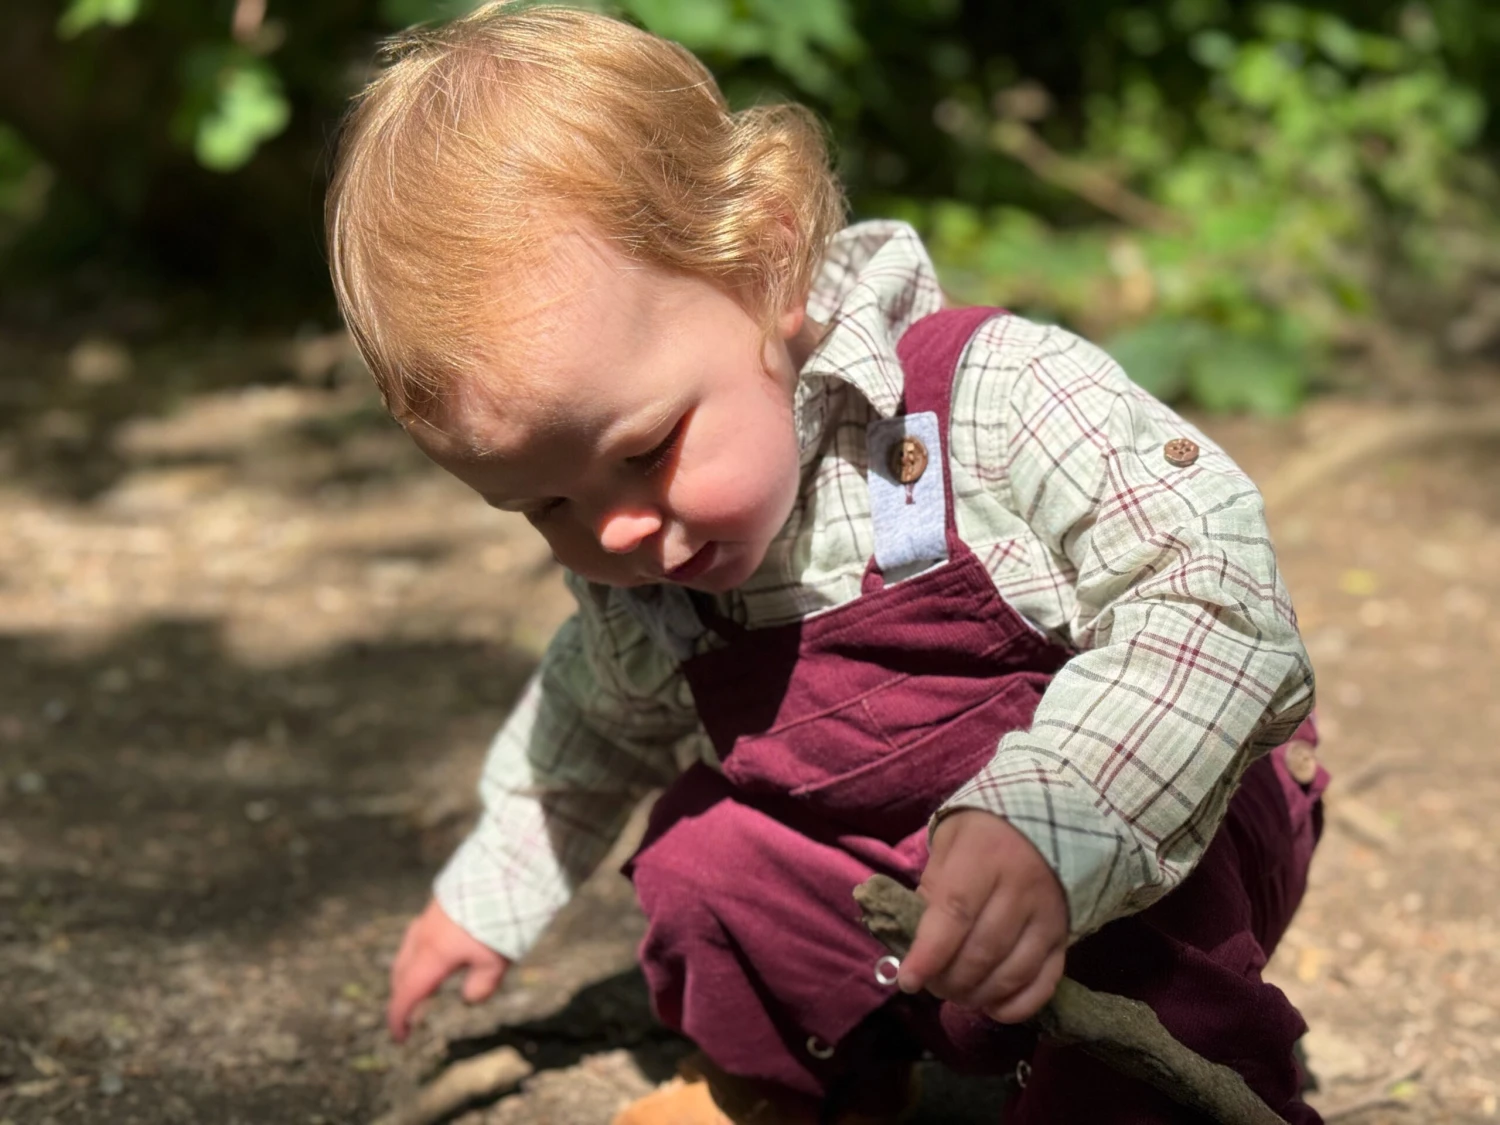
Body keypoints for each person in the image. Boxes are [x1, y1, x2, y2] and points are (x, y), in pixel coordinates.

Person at [324, 4, 1328, 1122]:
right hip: (897, 885)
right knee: (706, 860)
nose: (612, 533)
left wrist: (1060, 821)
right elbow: (582, 734)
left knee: (1144, 1004)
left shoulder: (989, 404)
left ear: (760, 264)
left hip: (1134, 835)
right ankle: (802, 1090)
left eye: (645, 450)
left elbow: (1215, 595)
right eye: (547, 504)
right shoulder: (652, 585)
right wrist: (485, 901)